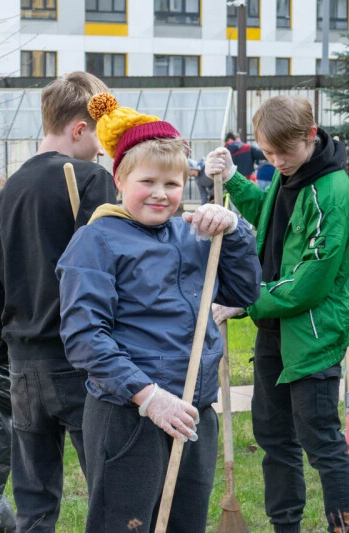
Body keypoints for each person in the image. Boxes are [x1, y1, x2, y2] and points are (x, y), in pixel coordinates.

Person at [57, 93, 261, 533]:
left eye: (172, 184)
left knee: (185, 523)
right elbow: (84, 336)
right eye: (147, 182)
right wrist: (148, 397)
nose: (160, 194)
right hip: (130, 416)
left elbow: (244, 292)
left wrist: (236, 232)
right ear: (120, 180)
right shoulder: (97, 241)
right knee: (125, 523)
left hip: (193, 411)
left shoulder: (190, 235)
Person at [207, 95, 349, 533]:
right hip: (275, 331)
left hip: (312, 336)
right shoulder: (288, 175)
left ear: (311, 136)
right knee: (274, 437)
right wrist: (235, 179)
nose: (276, 161)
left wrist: (247, 299)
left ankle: (347, 526)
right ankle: (285, 526)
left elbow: (310, 281)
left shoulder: (332, 192)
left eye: (284, 152)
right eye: (268, 152)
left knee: (321, 441)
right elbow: (269, 218)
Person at [0, 72, 116, 533]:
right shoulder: (92, 180)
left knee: (34, 505)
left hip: (21, 364)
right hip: (80, 361)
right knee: (111, 487)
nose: (103, 150)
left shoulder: (4, 195)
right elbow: (114, 269)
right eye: (100, 138)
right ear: (80, 129)